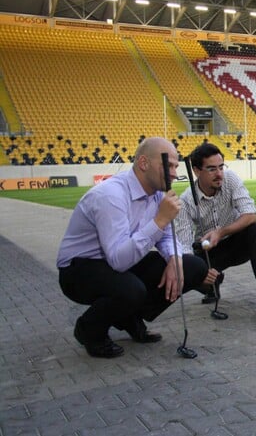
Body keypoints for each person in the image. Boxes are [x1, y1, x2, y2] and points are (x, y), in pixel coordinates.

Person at [57, 137, 211, 358]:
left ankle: (128, 316)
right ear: (143, 163)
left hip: (117, 261)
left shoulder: (158, 194)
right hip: (79, 269)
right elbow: (118, 259)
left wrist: (175, 258)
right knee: (131, 290)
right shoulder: (110, 195)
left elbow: (167, 237)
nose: (174, 173)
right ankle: (89, 329)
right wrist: (159, 220)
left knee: (192, 266)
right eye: (167, 165)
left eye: (176, 166)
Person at [175, 143, 256, 324]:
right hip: (208, 252)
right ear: (197, 171)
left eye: (221, 167)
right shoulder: (185, 201)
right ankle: (211, 284)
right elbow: (184, 246)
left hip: (235, 243)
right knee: (191, 270)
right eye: (212, 169)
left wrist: (220, 232)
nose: (219, 174)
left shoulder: (230, 179)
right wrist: (199, 272)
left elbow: (250, 214)